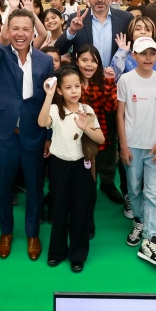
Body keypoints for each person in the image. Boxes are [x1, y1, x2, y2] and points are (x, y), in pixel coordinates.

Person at [0, 0, 53, 260]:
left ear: (33, 32)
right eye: (15, 28)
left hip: (34, 133)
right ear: (7, 30)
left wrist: (48, 136)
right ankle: (6, 232)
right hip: (5, 135)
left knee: (35, 188)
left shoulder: (45, 60)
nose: (20, 34)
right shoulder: (0, 55)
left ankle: (32, 234)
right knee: (4, 187)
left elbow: (49, 99)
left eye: (25, 29)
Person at [54, 0, 133, 203]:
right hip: (82, 90)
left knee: (109, 137)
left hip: (112, 89)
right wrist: (71, 31)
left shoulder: (125, 19)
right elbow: (59, 49)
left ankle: (107, 182)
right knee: (81, 134)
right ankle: (83, 181)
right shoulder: (76, 18)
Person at [37, 66, 104, 272]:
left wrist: (85, 128)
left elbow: (100, 138)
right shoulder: (55, 110)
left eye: (77, 86)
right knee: (59, 210)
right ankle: (57, 252)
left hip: (81, 167)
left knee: (80, 211)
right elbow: (41, 122)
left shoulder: (87, 110)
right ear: (59, 90)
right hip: (59, 166)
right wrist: (48, 95)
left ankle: (77, 254)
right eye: (68, 87)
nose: (74, 91)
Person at [118, 37, 156, 267]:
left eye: (152, 53)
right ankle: (138, 221)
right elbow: (120, 114)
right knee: (133, 188)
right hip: (132, 145)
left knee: (152, 193)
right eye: (143, 53)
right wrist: (123, 145)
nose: (148, 58)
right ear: (134, 56)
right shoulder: (125, 80)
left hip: (154, 147)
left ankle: (151, 238)